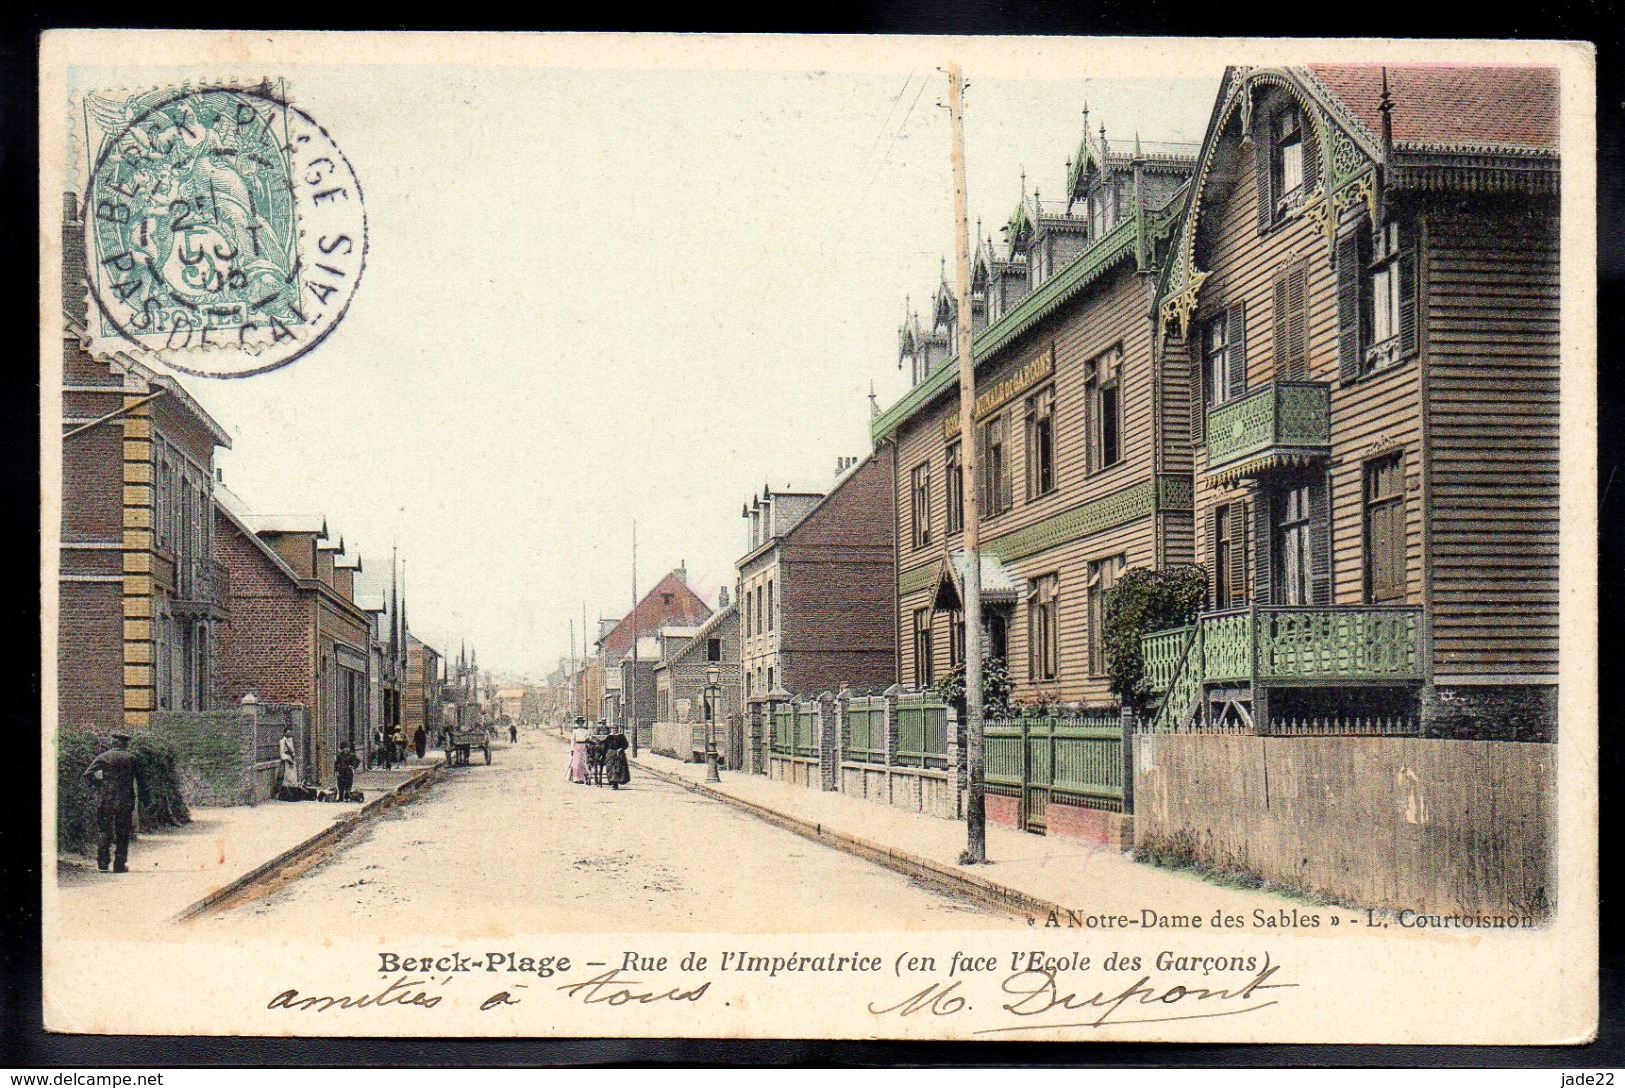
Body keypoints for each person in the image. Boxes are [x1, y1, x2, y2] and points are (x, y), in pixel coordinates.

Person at [81, 731, 139, 872]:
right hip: (125, 801)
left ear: (113, 743)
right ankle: (119, 864)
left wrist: (99, 783)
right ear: (125, 743)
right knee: (123, 832)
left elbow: (87, 774)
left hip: (106, 799)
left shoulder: (103, 757)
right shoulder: (131, 758)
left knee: (104, 831)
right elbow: (141, 780)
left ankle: (102, 863)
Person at [602, 725, 631, 790]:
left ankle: (617, 782)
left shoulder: (621, 736)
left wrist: (621, 748)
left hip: (619, 754)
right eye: (613, 729)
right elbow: (605, 747)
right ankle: (613, 783)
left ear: (618, 729)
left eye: (616, 729)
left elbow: (625, 745)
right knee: (611, 768)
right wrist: (604, 755)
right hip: (611, 754)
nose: (615, 730)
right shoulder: (609, 737)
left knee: (619, 768)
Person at [568, 718, 591, 784]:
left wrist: (588, 746)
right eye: (579, 723)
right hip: (577, 746)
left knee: (583, 762)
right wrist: (572, 749)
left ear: (583, 723)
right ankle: (576, 778)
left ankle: (582, 778)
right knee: (576, 762)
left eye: (581, 722)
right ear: (577, 723)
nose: (580, 724)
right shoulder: (575, 731)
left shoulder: (586, 731)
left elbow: (588, 739)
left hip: (584, 746)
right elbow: (573, 741)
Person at [278, 726, 299, 796]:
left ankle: (293, 793)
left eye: (290, 733)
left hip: (292, 760)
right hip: (286, 761)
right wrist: (288, 759)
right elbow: (282, 753)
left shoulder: (291, 740)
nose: (289, 734)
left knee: (293, 777)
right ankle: (286, 794)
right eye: (288, 733)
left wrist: (293, 758)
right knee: (287, 777)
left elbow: (293, 751)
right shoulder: (282, 741)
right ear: (284, 733)